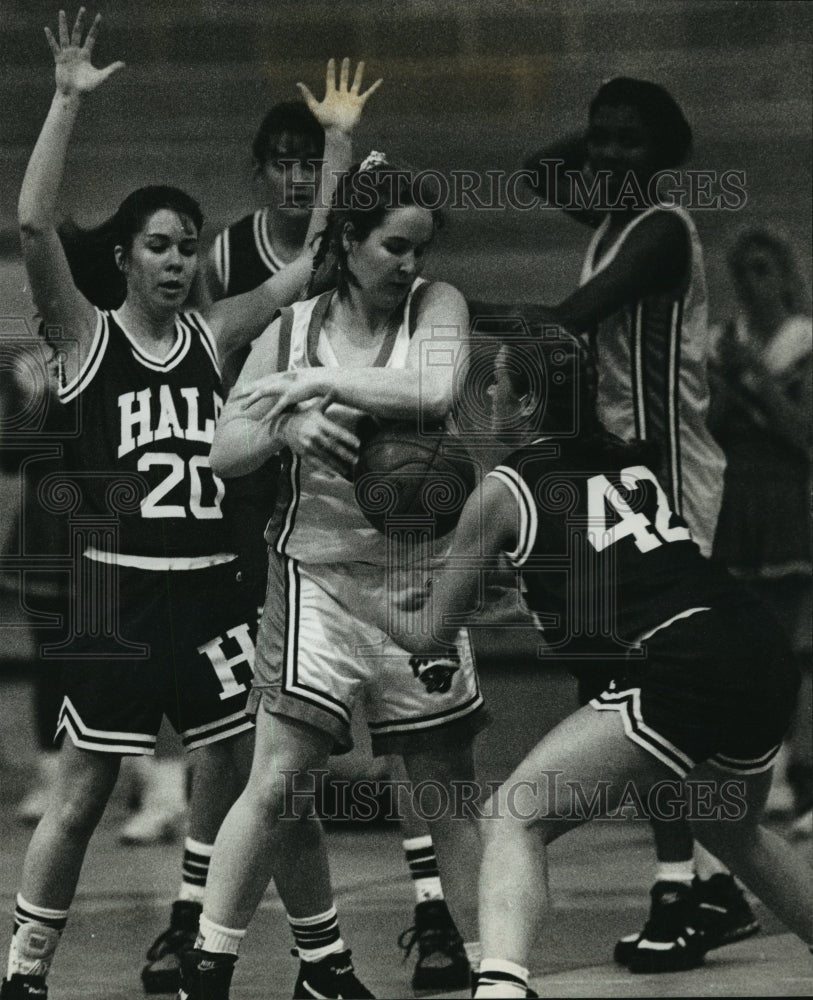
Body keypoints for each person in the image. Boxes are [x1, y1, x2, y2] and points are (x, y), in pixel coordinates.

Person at [1, 10, 376, 1000]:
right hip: (118, 603)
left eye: (189, 246)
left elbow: (321, 263)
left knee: (276, 786)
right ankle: (25, 973)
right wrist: (65, 101)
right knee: (82, 795)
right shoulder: (83, 338)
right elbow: (35, 223)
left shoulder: (217, 335)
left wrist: (337, 141)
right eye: (159, 246)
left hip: (211, 596)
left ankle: (322, 962)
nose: (177, 259)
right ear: (124, 256)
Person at [392, 331, 812, 998]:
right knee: (731, 827)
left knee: (512, 817)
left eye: (491, 386)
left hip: (681, 659)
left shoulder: (504, 488)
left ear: (525, 404)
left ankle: (498, 988)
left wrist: (343, 590)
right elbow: (611, 574)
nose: (479, 398)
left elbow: (426, 637)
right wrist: (507, 590)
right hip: (755, 646)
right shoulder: (633, 465)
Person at [178, 153, 483, 1000]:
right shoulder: (290, 327)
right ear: (347, 240)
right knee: (275, 781)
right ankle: (207, 965)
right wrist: (286, 431)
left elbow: (433, 384)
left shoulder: (437, 307)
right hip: (316, 578)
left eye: (420, 248)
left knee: (446, 791)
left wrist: (312, 387)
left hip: (418, 583)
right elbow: (222, 451)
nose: (411, 264)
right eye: (393, 246)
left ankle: (498, 972)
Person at [521, 76, 756, 972]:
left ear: (664, 155)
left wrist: (450, 323)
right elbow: (537, 171)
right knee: (628, 684)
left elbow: (571, 318)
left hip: (669, 476)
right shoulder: (619, 219)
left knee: (655, 687)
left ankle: (689, 887)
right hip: (629, 482)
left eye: (629, 142)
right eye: (601, 139)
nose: (608, 156)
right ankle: (698, 885)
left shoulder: (658, 229)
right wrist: (589, 140)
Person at [708, 228, 812, 839]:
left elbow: (801, 432)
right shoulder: (722, 339)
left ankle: (785, 773)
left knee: (779, 643)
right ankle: (750, 768)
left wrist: (757, 377)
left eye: (764, 270)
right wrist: (725, 382)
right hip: (732, 497)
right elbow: (710, 428)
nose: (754, 283)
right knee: (742, 644)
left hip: (783, 499)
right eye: (744, 272)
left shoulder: (803, 340)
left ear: (784, 274)